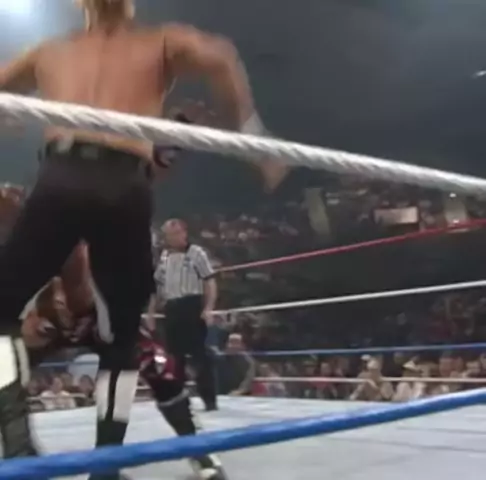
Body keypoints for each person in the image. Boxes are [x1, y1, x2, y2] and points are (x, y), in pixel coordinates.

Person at [0, 0, 286, 465]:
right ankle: (104, 465)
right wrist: (253, 134)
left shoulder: (49, 52)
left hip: (64, 178)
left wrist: (8, 116)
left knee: (10, 312)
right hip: (123, 184)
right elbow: (220, 55)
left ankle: (20, 445)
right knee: (122, 340)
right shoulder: (160, 41)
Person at [22, 240, 227, 480]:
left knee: (160, 369)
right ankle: (21, 460)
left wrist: (105, 465)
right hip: (44, 321)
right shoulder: (32, 277)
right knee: (9, 372)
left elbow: (121, 371)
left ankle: (197, 450)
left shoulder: (115, 279)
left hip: (108, 323)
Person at [150, 219, 218, 411]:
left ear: (184, 233)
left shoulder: (196, 253)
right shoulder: (164, 257)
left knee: (199, 355)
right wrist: (151, 313)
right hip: (172, 308)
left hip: (192, 306)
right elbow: (157, 287)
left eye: (175, 233)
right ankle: (180, 400)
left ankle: (209, 400)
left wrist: (208, 307)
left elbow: (209, 281)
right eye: (168, 235)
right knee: (174, 358)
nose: (171, 238)